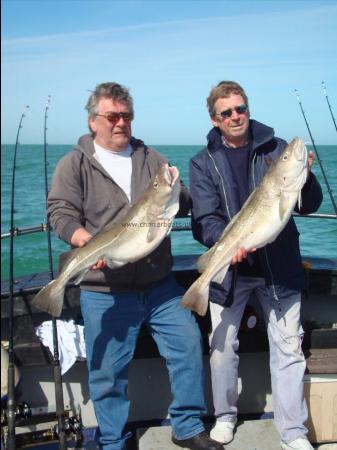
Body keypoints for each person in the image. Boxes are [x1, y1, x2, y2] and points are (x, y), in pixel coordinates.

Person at [47, 82, 223, 450]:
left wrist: (178, 189)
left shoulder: (152, 158)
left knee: (189, 344)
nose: (120, 123)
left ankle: (188, 425)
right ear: (93, 120)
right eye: (112, 116)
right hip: (103, 287)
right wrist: (82, 240)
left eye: (126, 115)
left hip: (160, 285)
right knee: (108, 372)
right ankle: (113, 440)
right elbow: (59, 212)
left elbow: (184, 204)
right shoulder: (74, 164)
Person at [189, 81, 323, 450]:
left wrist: (304, 176)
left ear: (248, 109)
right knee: (221, 350)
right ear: (215, 119)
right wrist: (224, 244)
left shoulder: (276, 150)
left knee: (288, 349)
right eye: (227, 112)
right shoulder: (202, 163)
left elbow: (307, 204)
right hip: (230, 269)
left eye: (241, 108)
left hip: (278, 269)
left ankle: (293, 431)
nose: (236, 117)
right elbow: (205, 218)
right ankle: (225, 416)